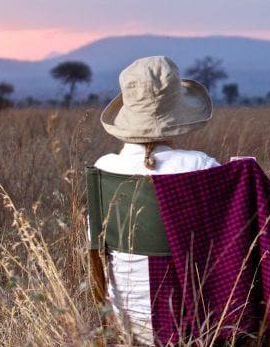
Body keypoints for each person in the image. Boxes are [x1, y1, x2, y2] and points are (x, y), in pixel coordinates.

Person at [95, 55, 217, 345]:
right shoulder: (201, 167)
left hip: (124, 323)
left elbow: (96, 249)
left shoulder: (103, 170)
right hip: (195, 326)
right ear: (178, 114)